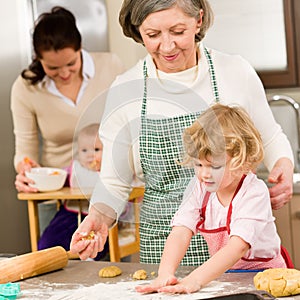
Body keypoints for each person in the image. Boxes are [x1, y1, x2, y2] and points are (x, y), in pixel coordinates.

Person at [70, 0, 294, 265]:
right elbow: (114, 181)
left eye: (177, 31)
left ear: (198, 21)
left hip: (238, 248)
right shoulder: (126, 89)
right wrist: (97, 217)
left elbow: (269, 136)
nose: (166, 46)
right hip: (164, 250)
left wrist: (283, 164)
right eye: (152, 35)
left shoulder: (234, 72)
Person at [136, 103, 288, 294]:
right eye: (199, 164)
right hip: (225, 276)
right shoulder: (200, 188)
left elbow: (237, 248)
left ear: (241, 161)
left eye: (215, 166)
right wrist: (165, 273)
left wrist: (195, 280)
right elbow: (181, 231)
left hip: (266, 278)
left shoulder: (254, 193)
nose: (204, 174)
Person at [11, 6, 124, 253]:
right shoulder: (25, 87)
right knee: (57, 268)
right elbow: (25, 148)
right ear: (38, 58)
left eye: (71, 63)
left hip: (108, 191)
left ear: (80, 47)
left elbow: (130, 126)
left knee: (112, 272)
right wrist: (26, 168)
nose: (63, 73)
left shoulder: (111, 66)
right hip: (56, 198)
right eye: (52, 68)